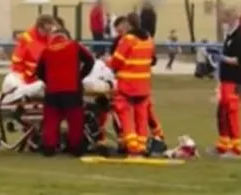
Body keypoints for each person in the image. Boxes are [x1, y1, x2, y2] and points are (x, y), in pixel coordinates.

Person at [34, 29, 95, 156]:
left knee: (51, 120)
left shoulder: (47, 50)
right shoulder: (75, 46)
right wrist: (80, 76)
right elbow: (90, 60)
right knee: (75, 120)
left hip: (52, 91)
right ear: (66, 37)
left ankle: (49, 147)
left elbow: (38, 71)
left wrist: (49, 81)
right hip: (71, 90)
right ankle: (75, 147)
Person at [107, 13, 156, 157]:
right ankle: (142, 146)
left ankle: (133, 147)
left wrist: (106, 63)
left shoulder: (127, 39)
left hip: (127, 85)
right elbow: (152, 60)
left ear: (128, 24)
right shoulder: (149, 39)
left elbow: (116, 61)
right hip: (143, 85)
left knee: (126, 116)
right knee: (141, 117)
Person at [216, 8, 241, 158]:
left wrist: (222, 58)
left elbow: (239, 60)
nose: (225, 23)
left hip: (234, 81)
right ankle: (224, 146)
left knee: (232, 114)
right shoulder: (229, 37)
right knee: (222, 113)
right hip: (225, 81)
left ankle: (236, 149)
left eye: (227, 19)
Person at [2, 14, 58, 97]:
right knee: (14, 84)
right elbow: (17, 61)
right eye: (47, 30)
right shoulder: (27, 39)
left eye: (50, 30)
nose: (49, 32)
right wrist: (26, 76)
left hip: (38, 78)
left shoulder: (50, 39)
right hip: (24, 76)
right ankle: (17, 93)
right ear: (40, 27)